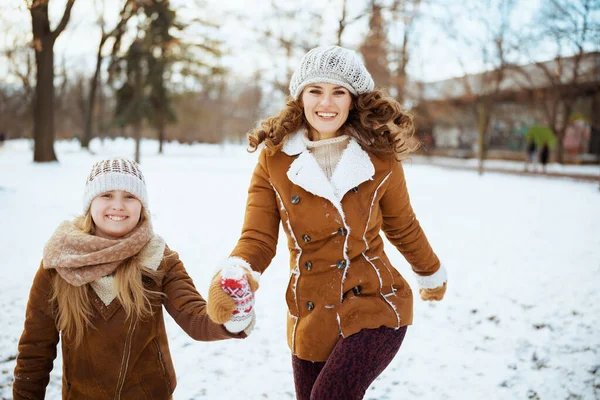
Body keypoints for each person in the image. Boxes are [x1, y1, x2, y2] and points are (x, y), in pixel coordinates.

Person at [207, 45, 448, 399]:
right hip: (311, 312)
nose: (327, 103)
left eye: (339, 92)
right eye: (315, 90)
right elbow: (257, 237)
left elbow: (402, 224)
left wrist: (430, 272)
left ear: (353, 100)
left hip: (375, 303)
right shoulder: (274, 161)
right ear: (300, 97)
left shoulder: (380, 158)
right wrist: (238, 273)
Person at [13, 158, 253, 399]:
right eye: (106, 194)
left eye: (130, 196)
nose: (118, 205)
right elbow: (35, 351)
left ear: (142, 205)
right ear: (90, 202)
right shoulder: (60, 261)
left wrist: (231, 316)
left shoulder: (159, 258)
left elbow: (194, 316)